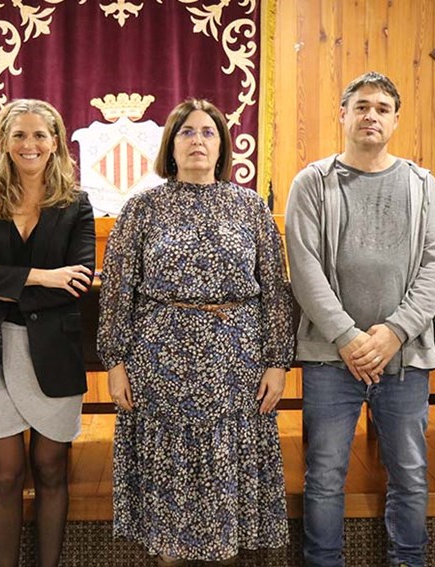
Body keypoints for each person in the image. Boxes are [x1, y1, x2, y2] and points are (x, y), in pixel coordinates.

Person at [97, 98, 294, 565]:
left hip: (235, 363)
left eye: (208, 132)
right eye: (187, 132)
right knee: (171, 488)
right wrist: (115, 362)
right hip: (161, 362)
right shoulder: (143, 208)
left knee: (226, 480)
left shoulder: (249, 207)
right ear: (171, 144)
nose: (198, 141)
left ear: (223, 145)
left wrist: (277, 362)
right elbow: (117, 291)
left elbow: (275, 290)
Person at [285, 71, 435, 567]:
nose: (371, 115)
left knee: (410, 474)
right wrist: (348, 337)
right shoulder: (312, 183)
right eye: (361, 106)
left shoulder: (422, 185)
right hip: (331, 357)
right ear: (343, 115)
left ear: (395, 120)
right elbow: (304, 268)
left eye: (381, 108)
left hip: (404, 358)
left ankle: (408, 561)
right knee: (324, 475)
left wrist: (395, 332)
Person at [0, 99, 95, 567]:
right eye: (19, 135)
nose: (29, 144)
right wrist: (42, 277)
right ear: (4, 142)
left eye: (39, 135)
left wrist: (3, 283)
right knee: (6, 473)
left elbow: (78, 281)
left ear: (55, 142)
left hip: (53, 351)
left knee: (51, 469)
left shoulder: (76, 203)